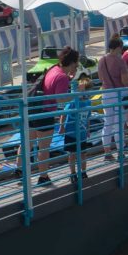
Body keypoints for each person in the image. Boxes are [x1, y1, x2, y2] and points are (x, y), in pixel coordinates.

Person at [31, 47, 77, 185]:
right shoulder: (62, 77)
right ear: (73, 62)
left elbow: (53, 86)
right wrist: (74, 96)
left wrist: (67, 79)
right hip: (46, 112)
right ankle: (43, 177)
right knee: (44, 147)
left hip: (35, 109)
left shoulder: (54, 69)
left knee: (28, 143)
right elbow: (60, 99)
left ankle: (19, 171)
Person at [97, 36, 128, 162]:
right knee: (119, 125)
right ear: (117, 47)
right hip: (119, 94)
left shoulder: (101, 60)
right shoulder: (120, 60)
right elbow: (125, 80)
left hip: (106, 93)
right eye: (121, 48)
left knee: (108, 124)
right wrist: (127, 72)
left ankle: (107, 153)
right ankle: (120, 153)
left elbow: (101, 79)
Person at [62, 75, 94, 180]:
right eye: (85, 90)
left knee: (83, 154)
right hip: (71, 132)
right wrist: (61, 127)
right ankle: (73, 173)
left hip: (82, 133)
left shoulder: (88, 102)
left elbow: (88, 117)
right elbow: (64, 113)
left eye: (88, 91)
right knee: (72, 154)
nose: (86, 94)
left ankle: (83, 172)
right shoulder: (72, 102)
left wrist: (88, 129)